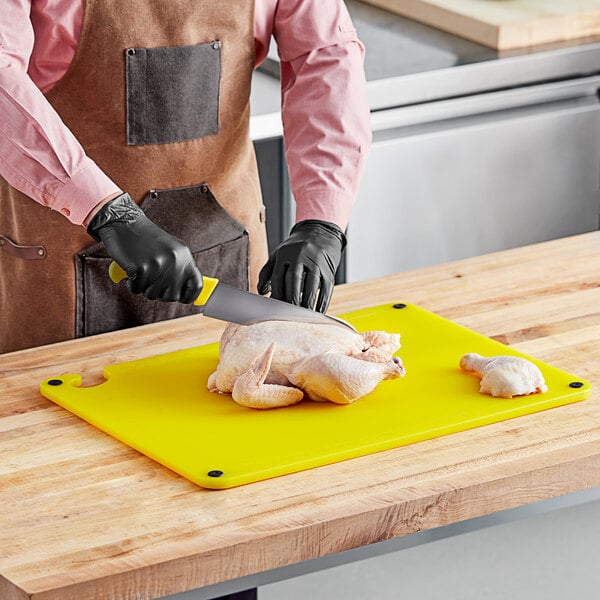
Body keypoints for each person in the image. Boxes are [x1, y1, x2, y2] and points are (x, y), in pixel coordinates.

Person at [0, 0, 371, 355]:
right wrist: (103, 210)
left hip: (230, 257)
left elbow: (325, 57)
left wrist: (323, 221)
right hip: (61, 269)